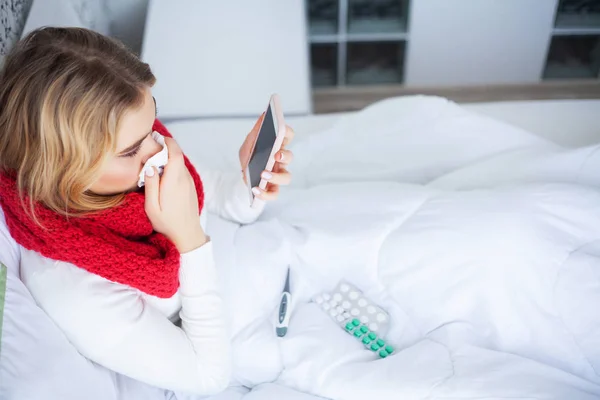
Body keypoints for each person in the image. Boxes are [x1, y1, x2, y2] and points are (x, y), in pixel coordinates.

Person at [0, 27, 294, 395]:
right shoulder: (74, 290)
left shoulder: (141, 154)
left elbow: (216, 197)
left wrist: (251, 185)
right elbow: (208, 378)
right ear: (60, 170)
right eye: (129, 151)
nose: (158, 149)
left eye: (153, 120)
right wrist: (188, 239)